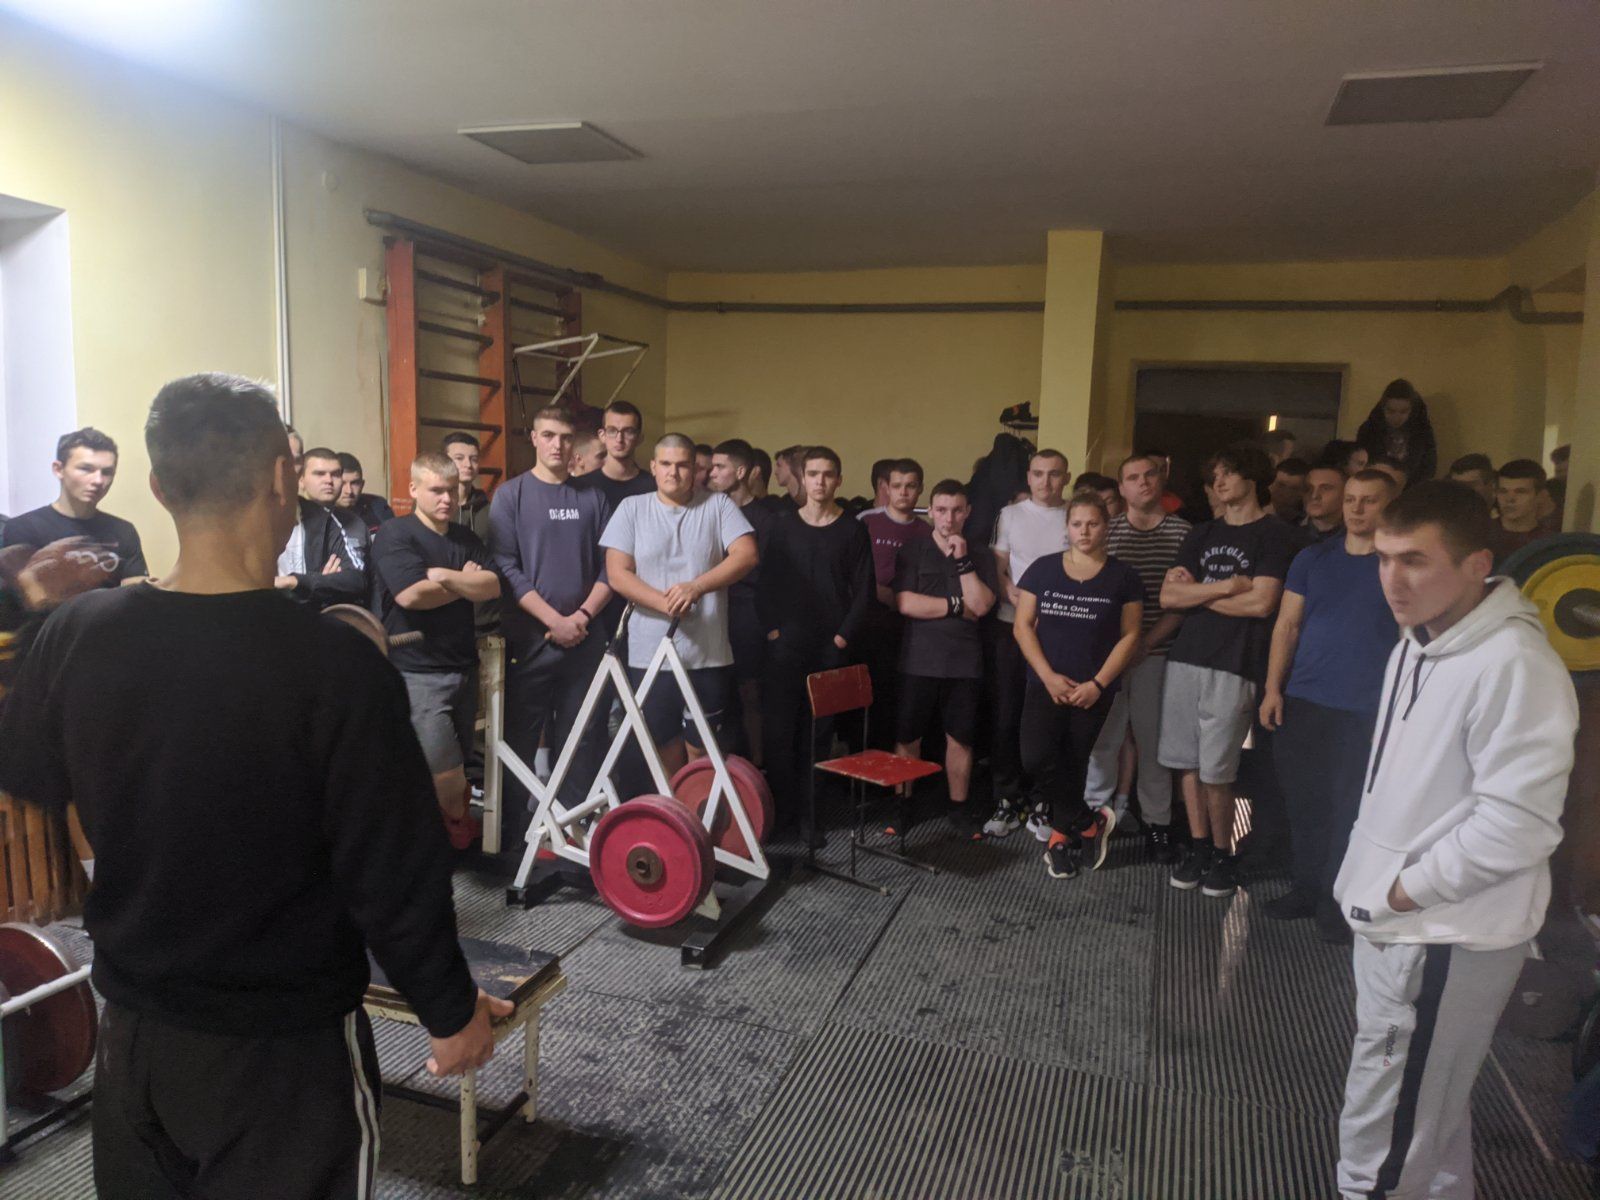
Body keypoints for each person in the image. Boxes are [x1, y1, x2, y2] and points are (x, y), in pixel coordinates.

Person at [0, 373, 503, 1199]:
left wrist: (31, 609)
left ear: (157, 487)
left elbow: (22, 769)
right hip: (284, 1047)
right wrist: (450, 1010)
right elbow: (393, 870)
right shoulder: (336, 665)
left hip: (134, 1033)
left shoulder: (79, 633)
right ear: (281, 478)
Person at [1331, 481, 1576, 1199]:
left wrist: (1403, 892)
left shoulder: (1515, 664)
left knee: (1384, 1136)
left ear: (1477, 565)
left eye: (1414, 560)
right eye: (1383, 559)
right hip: (1399, 922)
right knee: (1430, 1115)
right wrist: (1375, 892)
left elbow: (1519, 825)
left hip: (1442, 935)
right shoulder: (1419, 641)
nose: (1392, 580)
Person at [1258, 469, 1397, 942]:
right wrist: (1273, 688)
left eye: (1369, 500)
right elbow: (1287, 626)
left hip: (1367, 708)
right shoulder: (1312, 558)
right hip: (1305, 699)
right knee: (1305, 802)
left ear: (1388, 506)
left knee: (1351, 809)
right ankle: (1305, 887)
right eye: (1352, 499)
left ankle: (1336, 901)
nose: (1356, 508)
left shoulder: (1396, 564)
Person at [1158, 443, 1299, 899]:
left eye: (1228, 473)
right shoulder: (1201, 533)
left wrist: (1200, 592)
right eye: (1214, 474)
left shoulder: (1275, 535)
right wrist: (1227, 587)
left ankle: (1223, 852)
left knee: (1217, 768)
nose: (1218, 482)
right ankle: (1199, 846)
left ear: (1252, 478)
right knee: (1185, 761)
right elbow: (1169, 598)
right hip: (1186, 657)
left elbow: (1262, 603)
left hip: (1236, 663)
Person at [489, 406, 613, 848]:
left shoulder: (593, 497)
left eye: (564, 437)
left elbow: (611, 567)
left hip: (585, 637)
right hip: (533, 639)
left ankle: (573, 830)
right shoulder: (511, 495)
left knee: (582, 735)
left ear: (573, 442)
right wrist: (554, 620)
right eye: (548, 435)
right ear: (534, 438)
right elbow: (506, 567)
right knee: (521, 736)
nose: (557, 445)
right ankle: (513, 834)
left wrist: (581, 618)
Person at [603, 434, 756, 776]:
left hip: (708, 654)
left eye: (683, 465)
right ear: (654, 467)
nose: (674, 472)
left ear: (695, 469)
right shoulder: (632, 508)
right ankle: (674, 808)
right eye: (666, 464)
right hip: (649, 653)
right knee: (663, 744)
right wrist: (665, 603)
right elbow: (617, 573)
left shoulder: (718, 505)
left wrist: (697, 587)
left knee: (702, 749)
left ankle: (700, 808)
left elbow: (746, 555)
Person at [372, 453, 501, 849]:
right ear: (414, 490)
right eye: (437, 491)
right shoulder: (396, 534)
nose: (447, 499)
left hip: (462, 666)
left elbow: (492, 586)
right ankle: (444, 836)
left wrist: (445, 577)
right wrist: (465, 583)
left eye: (453, 491)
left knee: (460, 764)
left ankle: (446, 842)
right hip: (418, 671)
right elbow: (411, 596)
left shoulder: (465, 538)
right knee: (446, 775)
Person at [1013, 492, 1143, 879]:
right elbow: (1022, 626)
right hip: (1046, 683)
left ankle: (1059, 840)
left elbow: (1131, 636)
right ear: (1067, 527)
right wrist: (1047, 676)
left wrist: (1099, 684)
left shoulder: (1124, 576)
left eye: (1093, 523)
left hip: (1093, 688)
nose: (1084, 531)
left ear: (1106, 527)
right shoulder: (1043, 569)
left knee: (1073, 761)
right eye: (1076, 524)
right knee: (1035, 758)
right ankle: (1087, 822)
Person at [758, 446, 874, 842]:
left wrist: (841, 638)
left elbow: (864, 592)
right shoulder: (782, 527)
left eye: (827, 474)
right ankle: (781, 816)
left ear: (838, 480)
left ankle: (810, 817)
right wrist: (773, 632)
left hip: (829, 648)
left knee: (818, 737)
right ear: (802, 479)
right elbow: (765, 585)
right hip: (785, 647)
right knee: (779, 734)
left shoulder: (853, 530)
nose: (820, 481)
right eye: (812, 474)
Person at [1081, 453, 1191, 858]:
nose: (1142, 482)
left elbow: (1183, 602)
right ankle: (1093, 817)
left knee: (1153, 742)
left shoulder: (1183, 533)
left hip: (1156, 654)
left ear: (1161, 480)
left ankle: (1157, 823)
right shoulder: (1108, 531)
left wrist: (1144, 644)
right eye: (1133, 477)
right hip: (1106, 656)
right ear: (1121, 488)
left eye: (1149, 475)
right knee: (1103, 741)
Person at [891, 480, 997, 833]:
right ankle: (903, 806)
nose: (948, 518)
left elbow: (980, 605)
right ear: (930, 511)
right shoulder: (913, 550)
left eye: (956, 510)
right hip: (917, 659)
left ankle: (958, 809)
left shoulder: (980, 554)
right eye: (941, 510)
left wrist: (963, 559)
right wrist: (955, 605)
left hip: (964, 662)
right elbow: (906, 603)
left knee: (960, 738)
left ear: (967, 513)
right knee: (908, 737)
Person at [985, 450, 1070, 840]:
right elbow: (999, 563)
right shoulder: (1010, 514)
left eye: (1054, 474)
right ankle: (1008, 799)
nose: (1045, 482)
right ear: (1029, 476)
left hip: (1057, 632)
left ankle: (1042, 801)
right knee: (1006, 717)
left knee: (1047, 721)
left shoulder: (1074, 516)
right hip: (1011, 627)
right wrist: (1008, 589)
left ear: (1066, 478)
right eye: (1038, 473)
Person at [1, 427, 149, 585]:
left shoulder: (124, 531)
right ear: (59, 470)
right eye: (86, 469)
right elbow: (21, 596)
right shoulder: (23, 528)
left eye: (106, 472)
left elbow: (135, 594)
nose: (98, 480)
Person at [709, 438, 775, 762]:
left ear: (740, 471)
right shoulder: (708, 511)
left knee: (750, 692)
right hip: (712, 612)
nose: (712, 473)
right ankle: (717, 771)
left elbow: (770, 575)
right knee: (715, 693)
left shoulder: (765, 519)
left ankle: (758, 768)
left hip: (749, 615)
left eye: (719, 467)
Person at [859, 459, 931, 748]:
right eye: (897, 486)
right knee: (866, 696)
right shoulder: (866, 521)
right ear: (886, 488)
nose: (903, 492)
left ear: (920, 489)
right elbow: (848, 572)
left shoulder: (927, 532)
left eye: (910, 486)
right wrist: (876, 591)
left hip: (909, 625)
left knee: (899, 696)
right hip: (868, 622)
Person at [274, 439, 363, 609]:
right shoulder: (243, 517)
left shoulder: (323, 518)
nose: (329, 481)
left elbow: (356, 579)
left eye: (295, 460)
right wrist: (323, 583)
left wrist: (297, 581)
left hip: (310, 617)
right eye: (319, 474)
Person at [301, 446, 371, 574]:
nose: (329, 480)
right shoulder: (289, 522)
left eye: (336, 475)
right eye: (319, 474)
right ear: (301, 479)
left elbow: (366, 577)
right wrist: (321, 581)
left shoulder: (357, 523)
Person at [1356, 378, 1437, 484]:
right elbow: (1360, 464)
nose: (1396, 418)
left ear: (1412, 411)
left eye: (1403, 412)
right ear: (1383, 408)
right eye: (1391, 411)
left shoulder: (1422, 432)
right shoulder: (1369, 430)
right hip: (1375, 486)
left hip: (1412, 489)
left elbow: (1429, 468)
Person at [584, 400, 657, 512]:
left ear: (639, 438)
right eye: (612, 430)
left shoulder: (654, 487)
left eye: (628, 431)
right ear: (602, 435)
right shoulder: (584, 487)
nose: (619, 439)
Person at [1488, 458, 1547, 563]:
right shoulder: (1479, 536)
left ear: (1540, 496)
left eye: (1520, 492)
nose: (1510, 499)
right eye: (1503, 491)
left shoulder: (1547, 542)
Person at [441, 432, 492, 544]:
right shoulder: (432, 503)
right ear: (445, 461)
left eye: (474, 459)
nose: (468, 464)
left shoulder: (488, 509)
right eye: (459, 458)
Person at [335, 451, 395, 536]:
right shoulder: (319, 515)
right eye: (342, 483)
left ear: (362, 485)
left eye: (355, 483)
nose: (349, 491)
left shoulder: (377, 507)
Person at [1299, 462, 1345, 541]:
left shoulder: (1360, 536)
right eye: (1308, 488)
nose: (1314, 496)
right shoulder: (1286, 534)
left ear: (1345, 493)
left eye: (1325, 488)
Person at [1268, 458, 1311, 525]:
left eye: (1293, 489)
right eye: (1281, 485)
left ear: (1303, 492)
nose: (1271, 488)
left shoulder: (1312, 522)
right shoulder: (1258, 514)